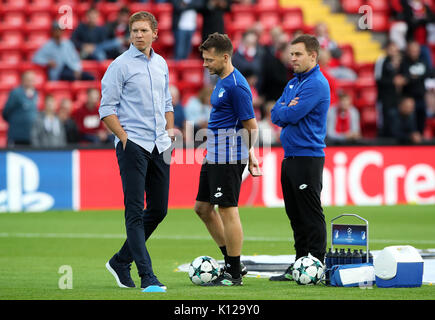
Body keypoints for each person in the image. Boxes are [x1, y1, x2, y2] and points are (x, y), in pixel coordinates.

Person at [99, 11, 174, 292]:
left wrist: (169, 133)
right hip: (134, 145)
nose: (138, 35)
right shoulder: (119, 66)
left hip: (160, 145)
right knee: (134, 209)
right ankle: (147, 276)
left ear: (155, 32)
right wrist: (124, 138)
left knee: (159, 209)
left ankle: (120, 261)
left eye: (144, 30)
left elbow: (167, 102)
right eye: (134, 31)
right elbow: (106, 109)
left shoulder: (162, 64)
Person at [194, 32, 262, 286]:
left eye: (209, 60)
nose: (205, 64)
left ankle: (233, 271)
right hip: (214, 155)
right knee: (202, 208)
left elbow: (252, 127)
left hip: (228, 158)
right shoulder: (222, 80)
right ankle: (232, 261)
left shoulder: (236, 86)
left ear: (225, 57)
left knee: (227, 209)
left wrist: (248, 154)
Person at [269, 34, 330, 281]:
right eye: (291, 53)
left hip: (307, 157)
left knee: (310, 213)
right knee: (295, 215)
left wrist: (286, 110)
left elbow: (291, 115)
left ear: (312, 56)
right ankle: (300, 263)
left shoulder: (316, 83)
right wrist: (286, 109)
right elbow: (275, 114)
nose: (291, 58)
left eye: (297, 54)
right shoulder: (294, 83)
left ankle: (315, 263)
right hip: (291, 157)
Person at [2, 71, 38, 147]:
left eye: (33, 80)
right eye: (29, 79)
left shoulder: (35, 93)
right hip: (17, 135)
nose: (31, 82)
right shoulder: (16, 93)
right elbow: (6, 112)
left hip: (31, 135)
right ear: (23, 80)